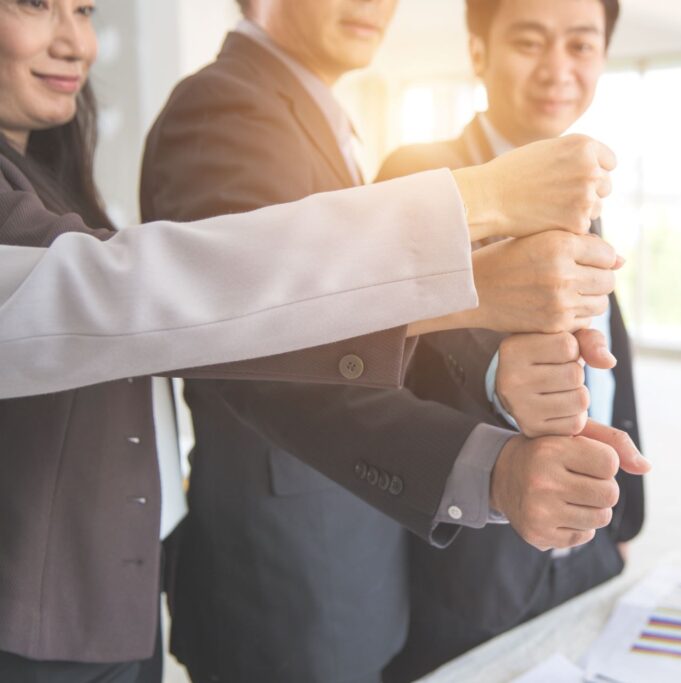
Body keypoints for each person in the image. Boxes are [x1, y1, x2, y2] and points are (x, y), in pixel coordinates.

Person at [0, 1, 625, 681]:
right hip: (278, 573)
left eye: (87, 9)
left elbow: (349, 349)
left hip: (294, 561)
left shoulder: (307, 113)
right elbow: (231, 334)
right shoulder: (222, 108)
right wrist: (476, 240)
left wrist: (491, 364)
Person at [376, 1, 644, 679]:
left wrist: (622, 524)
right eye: (530, 42)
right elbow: (376, 333)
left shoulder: (585, 186)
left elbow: (607, 354)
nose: (558, 69)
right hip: (473, 562)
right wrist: (495, 363)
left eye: (581, 45)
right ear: (478, 51)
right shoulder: (421, 173)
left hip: (590, 548)